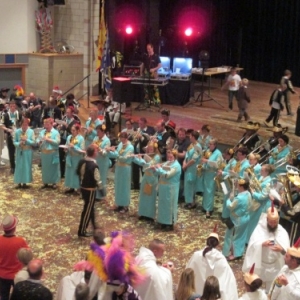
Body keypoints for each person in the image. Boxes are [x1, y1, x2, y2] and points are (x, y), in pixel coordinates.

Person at [243, 205, 290, 292]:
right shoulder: (259, 229)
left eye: (275, 222)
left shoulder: (282, 232)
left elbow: (288, 253)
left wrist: (281, 249)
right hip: (260, 265)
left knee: (272, 290)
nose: (272, 225)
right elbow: (252, 245)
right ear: (267, 220)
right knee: (257, 289)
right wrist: (261, 244)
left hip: (275, 266)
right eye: (271, 222)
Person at [186, 228, 238, 300]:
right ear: (217, 244)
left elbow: (187, 272)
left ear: (207, 242)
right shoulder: (221, 259)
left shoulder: (196, 255)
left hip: (196, 293)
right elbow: (228, 281)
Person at [0, 215, 29, 300]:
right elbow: (27, 255)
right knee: (19, 296)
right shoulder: (20, 241)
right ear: (14, 228)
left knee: (4, 296)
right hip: (17, 275)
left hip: (2, 275)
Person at [222, 178, 251, 261]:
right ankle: (239, 252)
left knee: (233, 236)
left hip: (237, 219)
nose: (236, 186)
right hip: (246, 217)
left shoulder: (239, 198)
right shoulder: (248, 193)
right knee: (242, 236)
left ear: (241, 187)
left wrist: (228, 199)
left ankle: (234, 254)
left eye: (238, 185)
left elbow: (230, 206)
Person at [76, 145, 102, 237]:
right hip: (90, 190)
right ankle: (82, 230)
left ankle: (93, 225)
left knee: (89, 208)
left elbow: (77, 172)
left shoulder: (82, 161)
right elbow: (97, 179)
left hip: (83, 188)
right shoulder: (94, 165)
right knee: (87, 210)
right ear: (94, 153)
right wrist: (102, 191)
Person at [153, 149, 181, 230]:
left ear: (175, 156)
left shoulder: (177, 166)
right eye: (168, 156)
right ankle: (162, 221)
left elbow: (167, 175)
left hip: (170, 189)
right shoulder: (166, 163)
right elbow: (159, 172)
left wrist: (159, 168)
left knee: (169, 206)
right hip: (163, 188)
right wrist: (155, 169)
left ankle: (169, 224)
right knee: (162, 205)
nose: (169, 157)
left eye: (171, 156)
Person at [133, 141, 161, 221]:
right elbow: (142, 164)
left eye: (151, 149)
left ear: (155, 149)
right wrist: (136, 158)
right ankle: (143, 213)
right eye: (148, 149)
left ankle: (150, 215)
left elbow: (150, 165)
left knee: (151, 197)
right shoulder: (147, 155)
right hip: (146, 178)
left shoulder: (157, 157)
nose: (149, 151)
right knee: (143, 196)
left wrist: (142, 159)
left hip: (152, 179)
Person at [108, 132, 134, 213]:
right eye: (120, 138)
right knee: (118, 185)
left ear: (125, 138)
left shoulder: (130, 147)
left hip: (125, 168)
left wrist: (115, 152)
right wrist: (109, 151)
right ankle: (118, 203)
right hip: (119, 167)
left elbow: (124, 158)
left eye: (121, 138)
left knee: (124, 186)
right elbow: (116, 155)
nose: (120, 140)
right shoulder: (120, 145)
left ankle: (125, 205)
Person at [247, 164, 274, 241]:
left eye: (262, 170)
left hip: (262, 206)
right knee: (251, 222)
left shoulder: (269, 182)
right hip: (257, 203)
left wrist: (253, 193)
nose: (260, 171)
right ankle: (248, 239)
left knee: (256, 223)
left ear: (267, 172)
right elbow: (258, 188)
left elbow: (262, 196)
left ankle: (252, 240)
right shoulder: (262, 177)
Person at [199, 138, 223, 218]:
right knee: (206, 191)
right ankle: (205, 207)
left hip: (212, 174)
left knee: (210, 192)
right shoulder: (208, 151)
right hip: (206, 173)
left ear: (215, 145)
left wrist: (207, 161)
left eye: (210, 144)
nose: (209, 145)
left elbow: (217, 164)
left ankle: (208, 210)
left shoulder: (218, 153)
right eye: (208, 144)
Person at [132, 117, 155, 189]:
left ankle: (145, 184)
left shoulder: (150, 130)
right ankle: (135, 185)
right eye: (139, 123)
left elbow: (148, 141)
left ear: (145, 123)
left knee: (143, 169)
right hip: (136, 152)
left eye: (141, 124)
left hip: (144, 152)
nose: (140, 125)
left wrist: (141, 137)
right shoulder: (138, 129)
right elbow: (134, 139)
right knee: (135, 169)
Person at [37, 118, 61, 189]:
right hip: (44, 153)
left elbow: (57, 142)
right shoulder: (43, 132)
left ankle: (54, 182)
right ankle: (45, 182)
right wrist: (39, 141)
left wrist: (48, 139)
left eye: (47, 124)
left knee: (53, 168)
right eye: (45, 124)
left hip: (52, 153)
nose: (46, 126)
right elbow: (38, 139)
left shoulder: (55, 132)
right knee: (45, 168)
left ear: (51, 124)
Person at [58, 106, 81, 178]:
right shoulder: (64, 119)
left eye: (68, 112)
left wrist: (67, 126)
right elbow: (62, 130)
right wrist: (60, 127)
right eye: (66, 112)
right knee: (61, 155)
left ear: (72, 113)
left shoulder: (75, 122)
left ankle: (68, 172)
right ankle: (62, 173)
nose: (66, 114)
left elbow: (73, 132)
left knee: (68, 156)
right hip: (63, 139)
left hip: (71, 140)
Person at [13, 118, 36, 188]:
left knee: (26, 166)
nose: (24, 126)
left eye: (26, 125)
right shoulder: (17, 132)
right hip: (19, 151)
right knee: (19, 166)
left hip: (27, 151)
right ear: (21, 124)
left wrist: (27, 140)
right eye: (23, 125)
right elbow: (14, 142)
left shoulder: (31, 132)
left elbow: (33, 142)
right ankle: (19, 182)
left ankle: (25, 182)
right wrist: (19, 143)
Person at [183, 130, 202, 209]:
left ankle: (192, 202)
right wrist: (184, 162)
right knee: (187, 186)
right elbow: (187, 155)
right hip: (188, 168)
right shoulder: (191, 145)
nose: (189, 137)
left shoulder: (198, 147)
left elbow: (194, 159)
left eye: (190, 136)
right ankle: (188, 201)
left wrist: (186, 165)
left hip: (193, 169)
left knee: (191, 185)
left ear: (193, 137)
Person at [64, 123, 85, 193]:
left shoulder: (81, 139)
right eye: (71, 130)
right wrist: (66, 149)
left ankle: (78, 187)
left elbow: (82, 150)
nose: (72, 132)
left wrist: (74, 147)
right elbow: (66, 145)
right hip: (70, 156)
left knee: (76, 172)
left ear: (78, 131)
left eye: (74, 130)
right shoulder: (69, 137)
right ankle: (71, 187)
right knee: (69, 172)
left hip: (77, 157)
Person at [2, 101, 22, 173]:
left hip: (19, 135)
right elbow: (2, 125)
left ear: (15, 106)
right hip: (10, 135)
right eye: (11, 106)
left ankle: (19, 165)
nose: (13, 107)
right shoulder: (6, 115)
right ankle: (12, 167)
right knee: (11, 151)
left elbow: (22, 123)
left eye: (14, 106)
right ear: (9, 106)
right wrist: (7, 129)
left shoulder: (19, 114)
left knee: (19, 151)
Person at [93, 124, 111, 201]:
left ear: (103, 132)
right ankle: (94, 194)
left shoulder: (107, 141)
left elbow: (105, 153)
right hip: (95, 160)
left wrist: (99, 149)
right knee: (95, 177)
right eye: (97, 131)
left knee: (101, 178)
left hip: (103, 162)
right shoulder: (96, 138)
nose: (97, 133)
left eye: (99, 131)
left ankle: (100, 196)